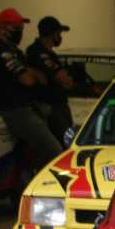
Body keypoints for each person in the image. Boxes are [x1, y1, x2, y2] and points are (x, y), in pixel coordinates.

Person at [0, 8, 62, 170]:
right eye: (17, 27)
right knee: (55, 153)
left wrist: (31, 72)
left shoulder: (15, 52)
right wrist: (31, 72)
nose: (20, 31)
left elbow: (42, 78)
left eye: (21, 27)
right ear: (3, 28)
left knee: (38, 158)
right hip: (16, 111)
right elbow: (29, 79)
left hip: (30, 107)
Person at [25, 16, 75, 145]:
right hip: (51, 108)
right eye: (59, 33)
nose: (60, 37)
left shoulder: (51, 54)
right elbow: (61, 78)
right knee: (64, 144)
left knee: (69, 142)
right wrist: (62, 80)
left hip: (60, 106)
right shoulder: (36, 51)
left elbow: (67, 82)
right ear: (52, 34)